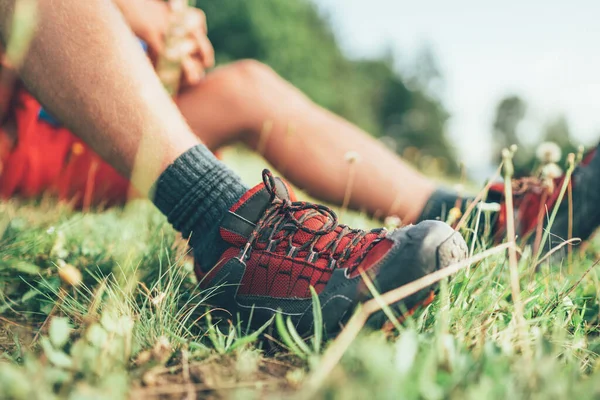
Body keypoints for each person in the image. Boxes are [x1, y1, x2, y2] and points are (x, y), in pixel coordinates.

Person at [0, 0, 471, 336]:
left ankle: (475, 213)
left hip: (90, 139)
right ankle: (224, 234)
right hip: (11, 136)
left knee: (248, 84)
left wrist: (175, 46)